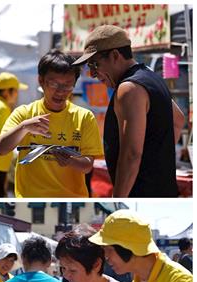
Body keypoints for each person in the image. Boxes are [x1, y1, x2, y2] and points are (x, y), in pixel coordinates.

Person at [72, 25, 185, 197]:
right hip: (161, 190)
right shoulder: (149, 76)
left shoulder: (129, 88)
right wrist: (157, 160)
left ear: (115, 55)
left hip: (142, 193)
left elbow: (131, 155)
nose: (93, 73)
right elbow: (178, 120)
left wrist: (118, 200)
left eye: (94, 64)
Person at [0, 50, 104, 198]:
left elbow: (87, 166)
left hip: (70, 198)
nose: (60, 91)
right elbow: (1, 149)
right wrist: (25, 127)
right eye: (54, 84)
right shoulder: (25, 113)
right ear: (41, 81)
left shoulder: (84, 117)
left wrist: (70, 161)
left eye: (67, 85)